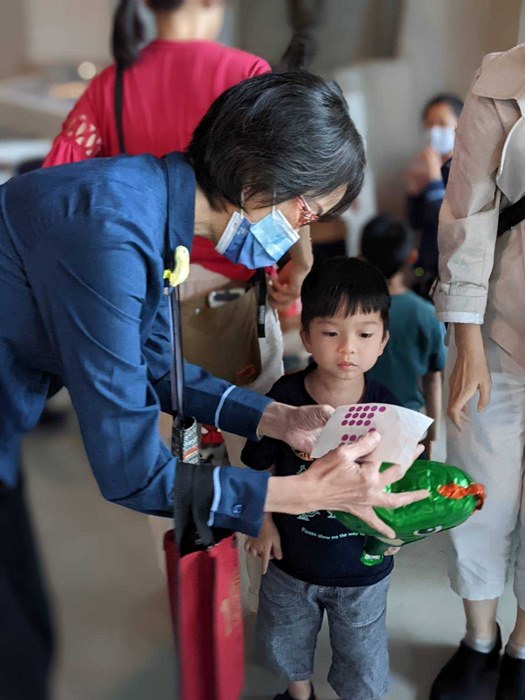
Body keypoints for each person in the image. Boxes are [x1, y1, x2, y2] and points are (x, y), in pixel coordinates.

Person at [0, 72, 428, 700]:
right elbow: (132, 472)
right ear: (258, 178)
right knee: (18, 653)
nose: (301, 232)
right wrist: (294, 492)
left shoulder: (144, 206)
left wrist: (275, 420)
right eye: (307, 211)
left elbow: (153, 359)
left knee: (24, 640)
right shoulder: (112, 233)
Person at [43, 0, 315, 465]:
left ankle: (193, 538)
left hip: (145, 308)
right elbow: (288, 185)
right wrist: (301, 259)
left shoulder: (112, 85)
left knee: (175, 463)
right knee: (258, 446)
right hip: (235, 303)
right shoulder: (247, 72)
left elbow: (57, 187)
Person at [241, 257, 414, 700]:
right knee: (285, 640)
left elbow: (397, 487)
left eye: (364, 334)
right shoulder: (284, 398)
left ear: (383, 341)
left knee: (363, 655)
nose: (347, 349)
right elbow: (259, 464)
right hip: (289, 562)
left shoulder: (391, 412)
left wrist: (396, 535)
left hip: (362, 572)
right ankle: (300, 694)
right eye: (331, 333)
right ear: (306, 337)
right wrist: (262, 522)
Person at [430, 44, 525, 700]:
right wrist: (463, 341)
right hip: (495, 331)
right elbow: (466, 213)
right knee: (475, 494)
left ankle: (521, 645)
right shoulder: (500, 80)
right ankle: (478, 638)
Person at [361, 214, 446, 458]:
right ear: (412, 257)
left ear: (362, 254)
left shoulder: (353, 311)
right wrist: (433, 434)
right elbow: (433, 380)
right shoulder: (426, 314)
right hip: (409, 425)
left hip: (359, 423)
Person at [405, 93, 463, 297]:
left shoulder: (466, 170)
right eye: (430, 124)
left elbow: (446, 222)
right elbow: (416, 222)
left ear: (460, 124)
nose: (435, 130)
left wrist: (434, 178)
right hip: (427, 271)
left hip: (455, 276)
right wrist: (413, 192)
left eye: (442, 123)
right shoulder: (425, 168)